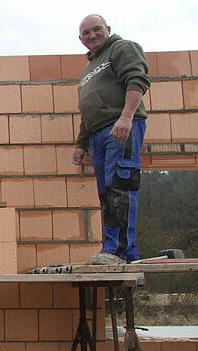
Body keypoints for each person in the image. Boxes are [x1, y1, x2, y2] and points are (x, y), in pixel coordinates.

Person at [73, 15, 149, 264]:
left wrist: (126, 117)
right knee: (106, 192)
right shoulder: (88, 70)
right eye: (86, 33)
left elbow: (137, 79)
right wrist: (81, 144)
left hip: (120, 127)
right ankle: (115, 248)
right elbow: (88, 108)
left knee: (121, 184)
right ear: (80, 39)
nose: (92, 35)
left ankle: (119, 251)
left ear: (108, 29)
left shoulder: (122, 48)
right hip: (98, 134)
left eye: (96, 29)